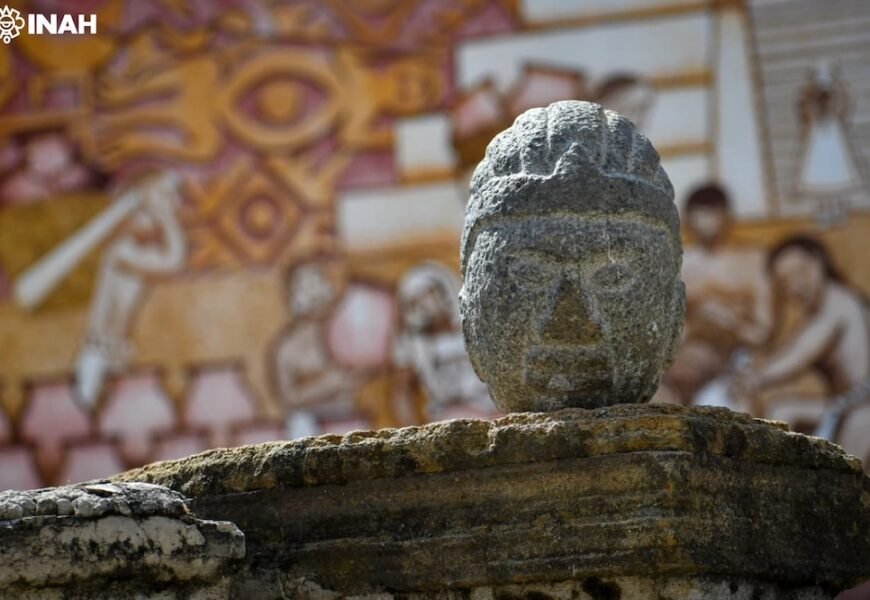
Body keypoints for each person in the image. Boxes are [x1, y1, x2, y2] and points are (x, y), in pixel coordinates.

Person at [733, 235, 870, 439]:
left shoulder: (839, 302)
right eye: (786, 281)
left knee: (784, 414)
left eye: (801, 271)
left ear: (819, 262)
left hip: (861, 407)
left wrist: (757, 378)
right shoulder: (820, 308)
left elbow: (800, 354)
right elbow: (792, 349)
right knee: (782, 412)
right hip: (846, 404)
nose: (797, 284)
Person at [74, 172, 186, 408]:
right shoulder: (120, 251)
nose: (155, 214)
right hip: (98, 357)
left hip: (117, 352)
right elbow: (173, 260)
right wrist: (163, 213)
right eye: (146, 208)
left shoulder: (137, 250)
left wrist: (162, 210)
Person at [663, 184, 773, 405]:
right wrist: (693, 323)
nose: (706, 221)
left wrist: (729, 319)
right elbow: (665, 326)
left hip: (738, 350)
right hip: (689, 347)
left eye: (712, 212)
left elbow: (763, 331)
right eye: (699, 214)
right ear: (688, 219)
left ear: (727, 215)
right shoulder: (678, 265)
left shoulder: (754, 260)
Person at [391, 262, 490, 422]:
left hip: (490, 410)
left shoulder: (474, 327)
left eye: (429, 294)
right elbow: (402, 392)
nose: (425, 304)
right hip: (448, 418)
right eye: (416, 300)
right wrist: (412, 433)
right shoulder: (414, 344)